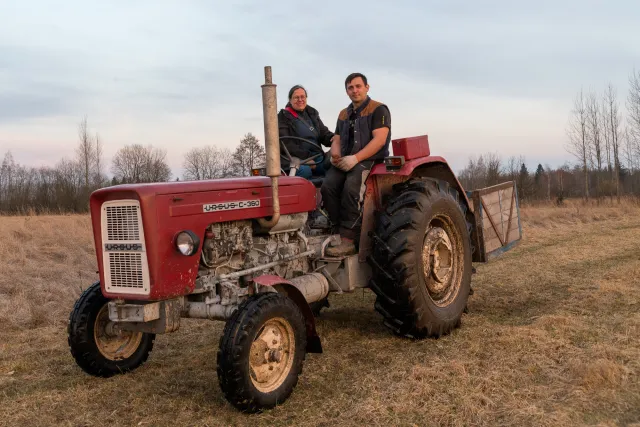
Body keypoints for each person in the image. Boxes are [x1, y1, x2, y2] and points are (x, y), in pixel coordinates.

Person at [321, 73, 391, 257]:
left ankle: (349, 240)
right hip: (346, 159)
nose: (355, 90)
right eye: (350, 88)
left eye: (358, 86)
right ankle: (336, 230)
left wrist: (356, 158)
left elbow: (380, 140)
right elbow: (336, 138)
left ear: (367, 87)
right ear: (346, 91)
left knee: (352, 188)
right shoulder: (343, 114)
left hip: (369, 160)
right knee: (327, 186)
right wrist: (336, 153)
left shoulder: (379, 109)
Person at [277, 85, 338, 178]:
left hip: (317, 157)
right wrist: (307, 158)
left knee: (335, 166)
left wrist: (335, 138)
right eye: (296, 97)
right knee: (305, 171)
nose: (300, 99)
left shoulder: (312, 114)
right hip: (294, 158)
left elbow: (323, 133)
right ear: (290, 100)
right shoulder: (283, 117)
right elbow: (287, 143)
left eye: (303, 97)